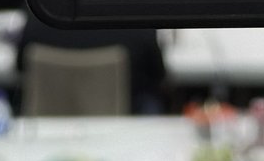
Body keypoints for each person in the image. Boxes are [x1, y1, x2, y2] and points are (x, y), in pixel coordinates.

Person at [14, 12, 168, 114]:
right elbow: (158, 74)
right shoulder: (138, 19)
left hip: (47, 126)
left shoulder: (41, 14)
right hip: (125, 122)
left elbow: (20, 67)